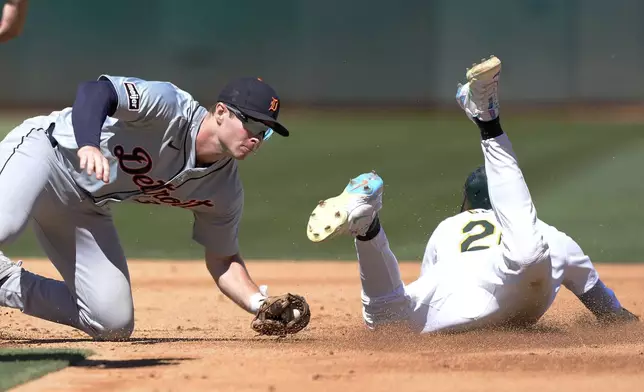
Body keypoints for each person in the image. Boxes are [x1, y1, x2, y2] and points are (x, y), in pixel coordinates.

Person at [306, 55, 638, 333]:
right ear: (510, 206)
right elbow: (607, 309)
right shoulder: (553, 237)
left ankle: (368, 228)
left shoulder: (447, 228)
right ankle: (488, 121)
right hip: (513, 280)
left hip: (454, 303)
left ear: (465, 204)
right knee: (528, 255)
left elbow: (430, 283)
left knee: (388, 320)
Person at [0, 74, 309, 340]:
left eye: (264, 131)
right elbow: (96, 91)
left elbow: (223, 259)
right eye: (251, 123)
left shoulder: (223, 189)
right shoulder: (169, 105)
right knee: (5, 226)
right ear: (220, 112)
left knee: (111, 322)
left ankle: (4, 281)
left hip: (83, 206)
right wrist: (89, 144)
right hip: (46, 152)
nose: (256, 138)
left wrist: (259, 303)